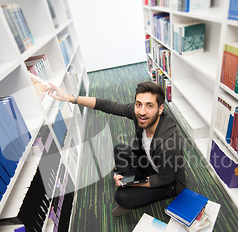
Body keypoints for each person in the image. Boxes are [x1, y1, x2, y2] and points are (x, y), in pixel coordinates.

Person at [46, 81, 186, 216]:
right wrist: (69, 98)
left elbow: (164, 179)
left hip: (168, 182)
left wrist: (130, 183)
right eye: (139, 104)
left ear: (160, 108)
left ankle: (130, 184)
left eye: (149, 106)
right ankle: (129, 179)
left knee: (121, 196)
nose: (142, 112)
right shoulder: (139, 113)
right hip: (151, 161)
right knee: (119, 149)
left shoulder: (169, 144)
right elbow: (108, 105)